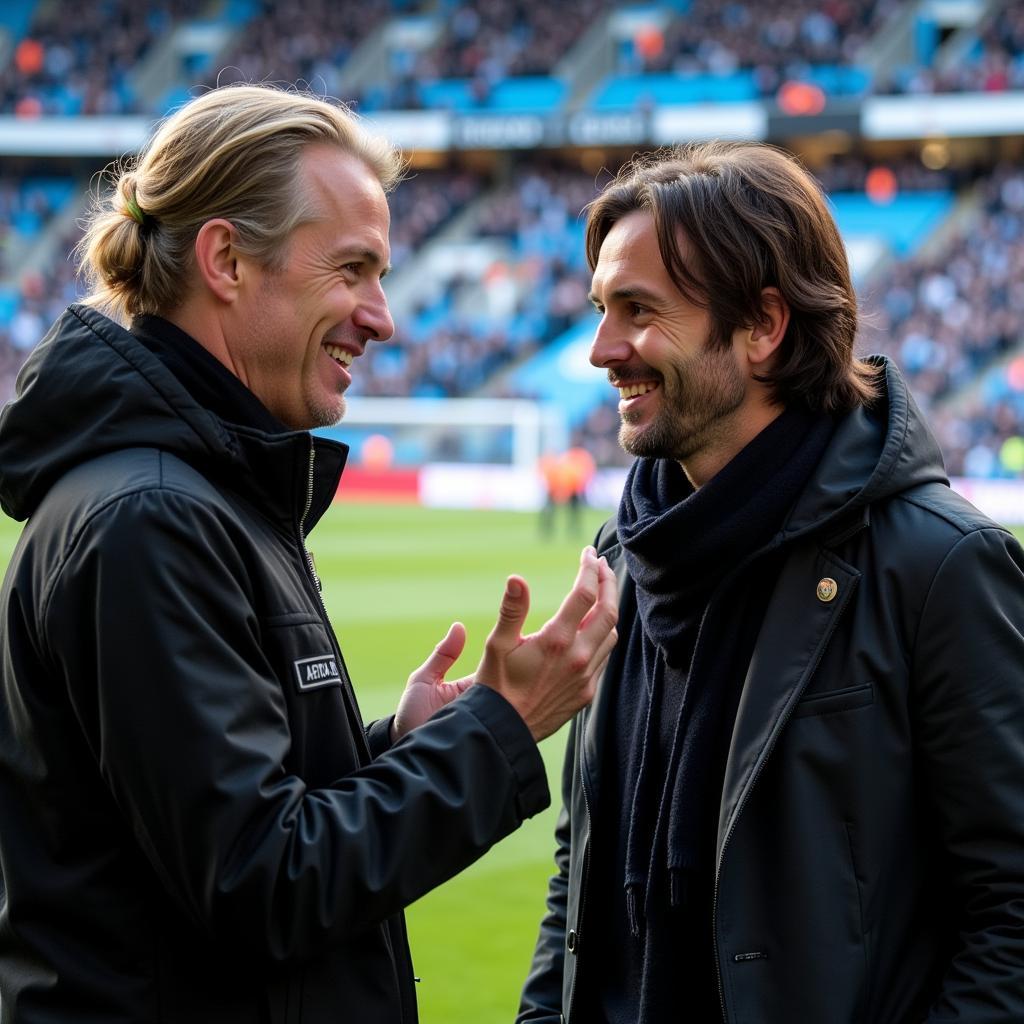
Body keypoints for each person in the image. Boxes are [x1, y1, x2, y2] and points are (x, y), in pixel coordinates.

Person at [0, 84, 619, 1023]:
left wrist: (406, 747)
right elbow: (264, 883)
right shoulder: (151, 518)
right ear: (227, 260)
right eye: (352, 270)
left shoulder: (205, 488)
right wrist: (500, 730)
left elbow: (223, 814)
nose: (383, 316)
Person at [518, 142, 1024, 1023]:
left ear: (763, 325)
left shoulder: (939, 567)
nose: (602, 349)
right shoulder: (624, 555)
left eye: (637, 310)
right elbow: (581, 868)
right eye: (602, 308)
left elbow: (1012, 916)